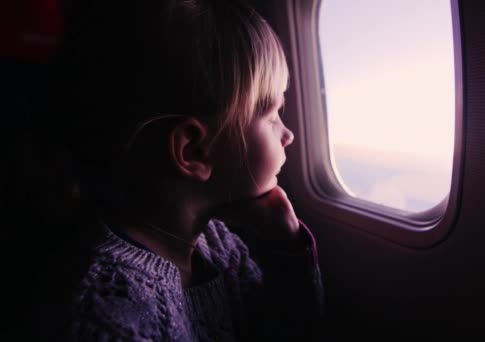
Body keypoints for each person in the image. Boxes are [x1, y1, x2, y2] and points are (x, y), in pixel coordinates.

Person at [27, 0, 324, 340]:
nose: (288, 134)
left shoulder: (217, 243)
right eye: (271, 114)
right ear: (193, 150)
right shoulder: (108, 313)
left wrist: (286, 247)